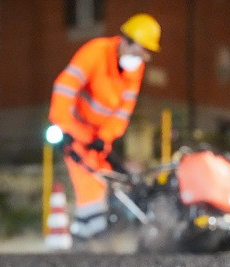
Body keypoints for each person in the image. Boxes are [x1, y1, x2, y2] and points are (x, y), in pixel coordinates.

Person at [48, 13, 161, 241]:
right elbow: (65, 87)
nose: (143, 58)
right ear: (126, 40)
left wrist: (105, 137)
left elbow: (123, 111)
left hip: (98, 137)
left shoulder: (134, 69)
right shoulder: (95, 51)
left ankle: (82, 235)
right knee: (89, 179)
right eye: (140, 51)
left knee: (113, 178)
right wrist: (64, 127)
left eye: (146, 53)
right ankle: (96, 236)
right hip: (75, 129)